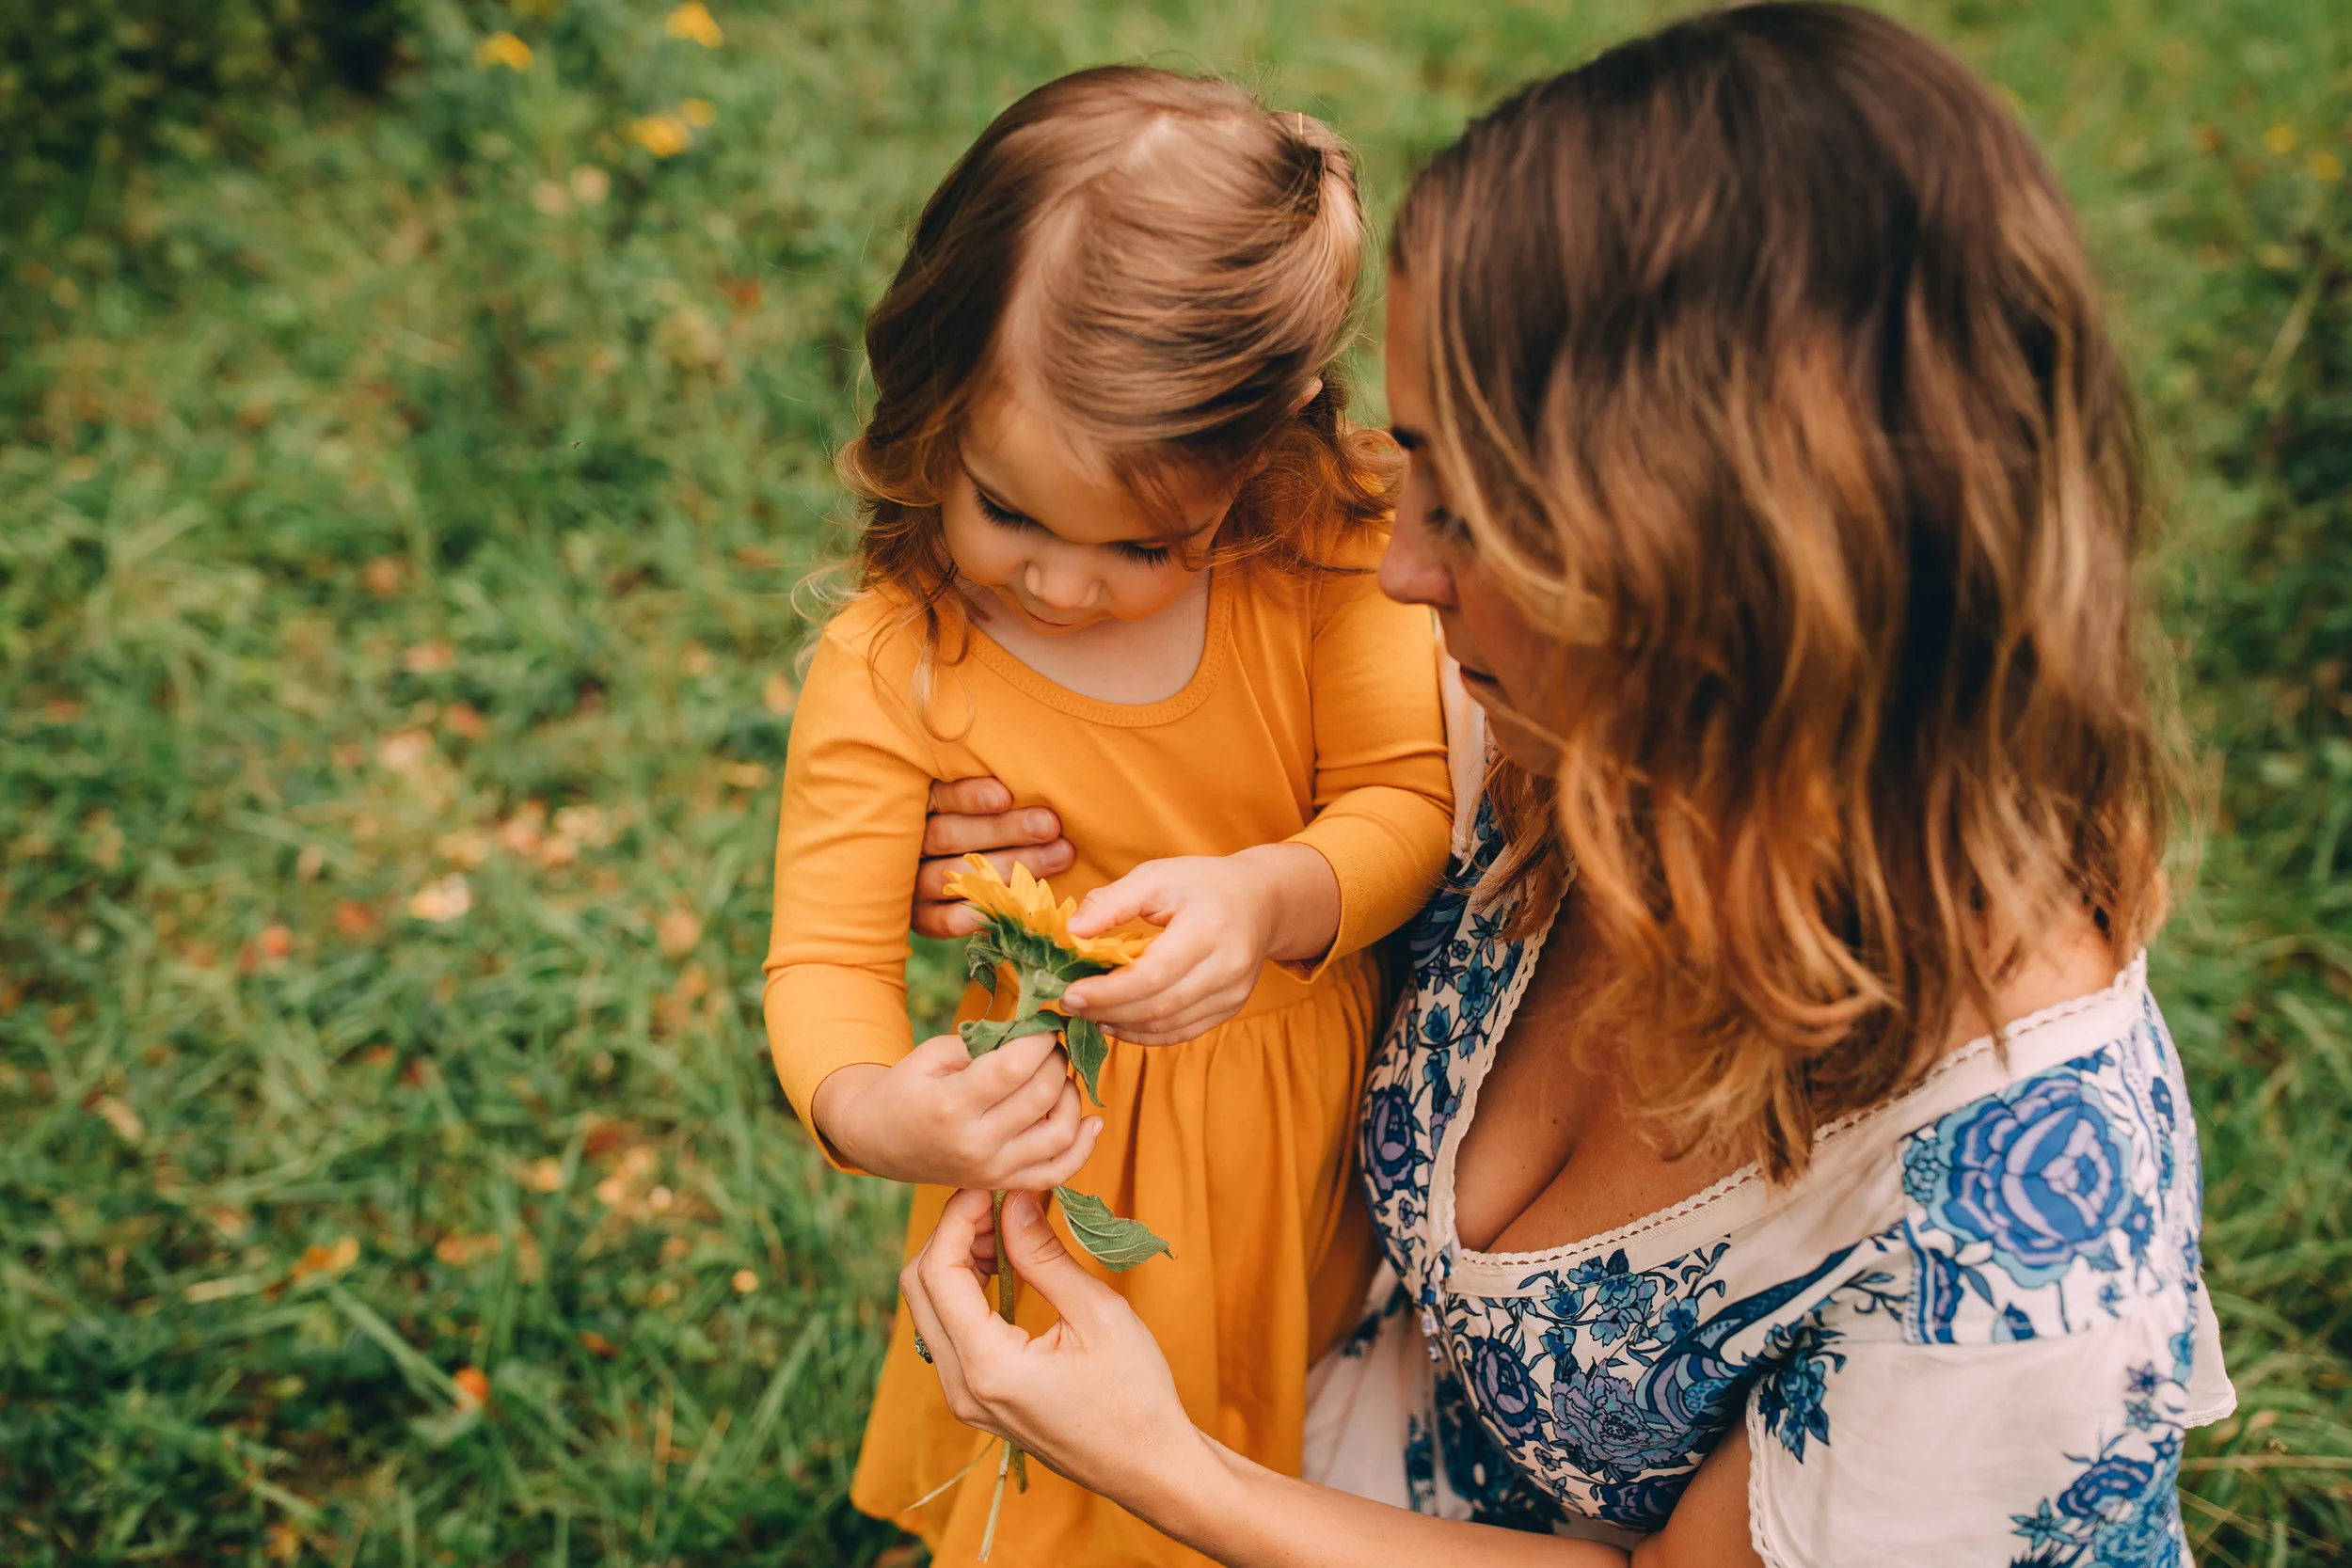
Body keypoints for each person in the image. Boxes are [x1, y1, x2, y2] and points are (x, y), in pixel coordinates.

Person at [896, 7, 2235, 1562]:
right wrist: (1066, 843)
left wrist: (1171, 1469)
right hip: (1393, 1445)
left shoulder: (2021, 1219)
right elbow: (1285, 811)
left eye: (1473, 517)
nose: (1397, 570)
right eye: (1412, 469)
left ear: (1720, 588)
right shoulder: (1555, 728)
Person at [761, 66, 1457, 1565]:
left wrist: (1272, 896)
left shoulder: (1326, 555)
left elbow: (1407, 802)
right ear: (933, 410)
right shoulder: (895, 660)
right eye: (1008, 511)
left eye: (1144, 542)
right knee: (1065, 1486)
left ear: (1259, 454)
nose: (1064, 586)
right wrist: (879, 1109)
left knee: (1283, 1432)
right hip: (1066, 1149)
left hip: (1315, 1134)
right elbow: (820, 959)